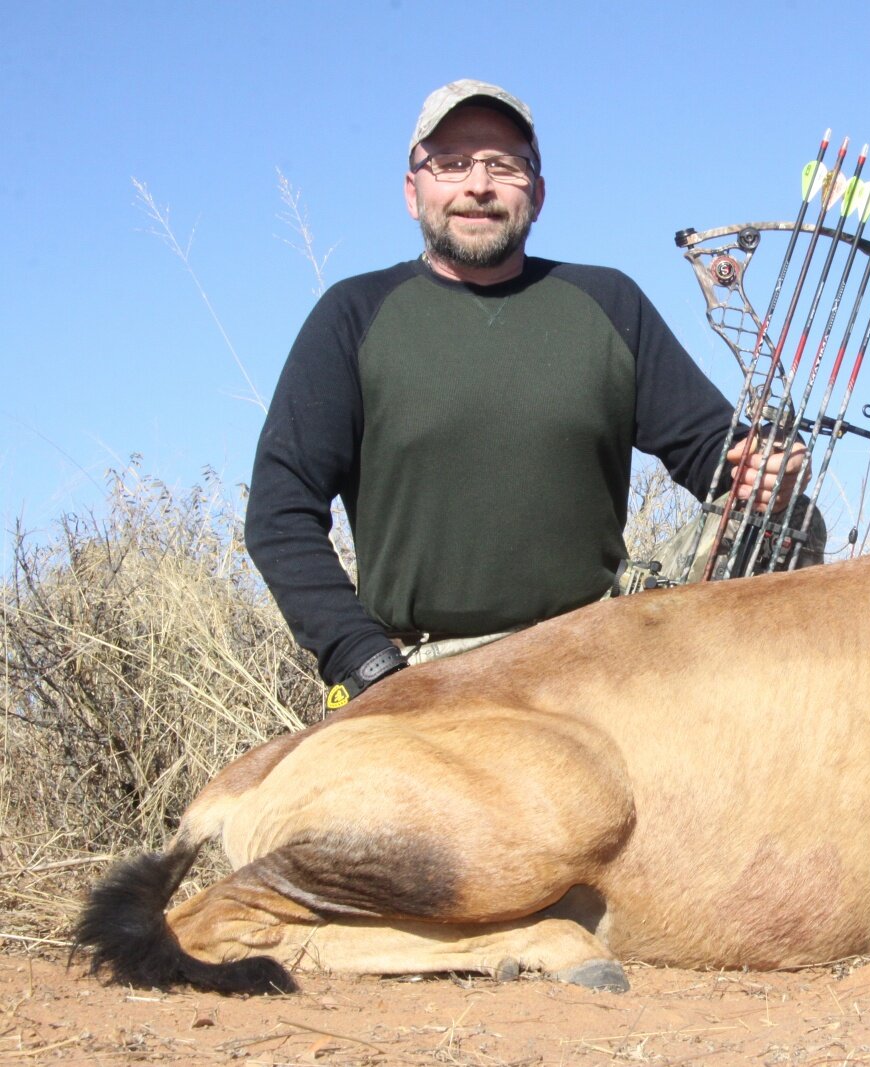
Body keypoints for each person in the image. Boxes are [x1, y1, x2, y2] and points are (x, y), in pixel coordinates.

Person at [246, 80, 806, 711]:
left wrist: (765, 469)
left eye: (504, 166)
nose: (477, 185)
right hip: (425, 676)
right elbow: (279, 514)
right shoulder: (352, 314)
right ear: (413, 192)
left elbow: (713, 452)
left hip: (596, 661)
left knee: (793, 524)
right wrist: (366, 664)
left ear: (537, 194)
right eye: (451, 163)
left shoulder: (608, 301)